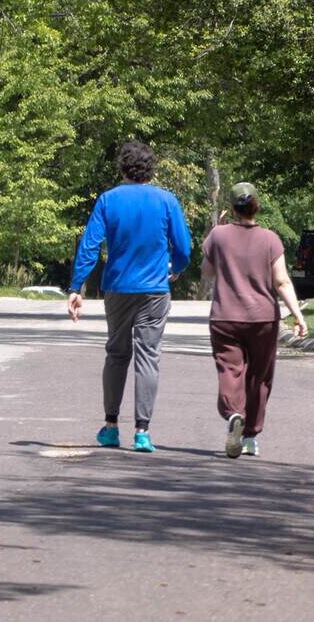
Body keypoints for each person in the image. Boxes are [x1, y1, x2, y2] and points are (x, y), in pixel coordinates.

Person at [66, 140, 192, 453]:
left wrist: (76, 286)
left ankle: (110, 426)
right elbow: (184, 247)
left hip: (118, 289)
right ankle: (142, 432)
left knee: (117, 353)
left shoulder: (108, 200)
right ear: (151, 169)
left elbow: (90, 244)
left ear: (122, 169)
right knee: (148, 356)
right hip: (154, 291)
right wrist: (173, 268)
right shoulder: (166, 200)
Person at [203, 181, 309, 459]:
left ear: (232, 208)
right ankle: (250, 436)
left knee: (230, 369)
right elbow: (282, 280)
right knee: (259, 377)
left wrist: (216, 232)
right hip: (263, 319)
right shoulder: (270, 239)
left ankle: (233, 413)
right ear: (256, 207)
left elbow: (208, 272)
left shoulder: (218, 235)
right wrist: (298, 316)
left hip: (225, 316)